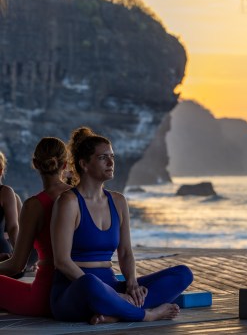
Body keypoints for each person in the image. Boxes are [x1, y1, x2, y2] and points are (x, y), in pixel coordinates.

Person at [50, 127, 193, 324]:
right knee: (91, 283)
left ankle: (114, 314)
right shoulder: (69, 202)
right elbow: (62, 261)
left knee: (182, 274)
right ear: (84, 164)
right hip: (75, 291)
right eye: (102, 158)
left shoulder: (118, 201)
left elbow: (125, 252)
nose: (111, 163)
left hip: (111, 287)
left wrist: (132, 285)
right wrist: (111, 294)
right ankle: (145, 314)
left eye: (112, 157)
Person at [0, 137, 70, 316]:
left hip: (45, 297)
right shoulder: (80, 197)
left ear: (35, 164)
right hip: (77, 293)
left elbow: (16, 266)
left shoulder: (34, 205)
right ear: (65, 165)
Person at [0, 151, 21, 258]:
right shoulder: (6, 192)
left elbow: (13, 227)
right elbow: (13, 227)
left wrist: (19, 256)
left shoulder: (5, 192)